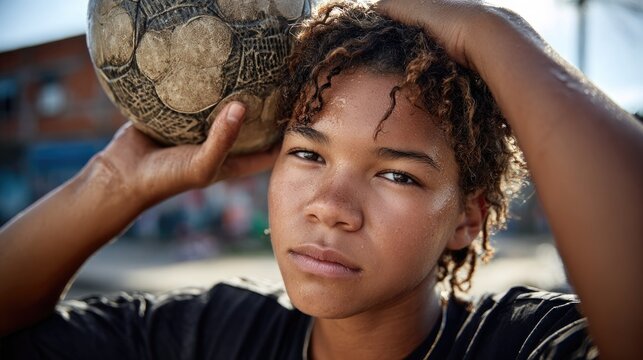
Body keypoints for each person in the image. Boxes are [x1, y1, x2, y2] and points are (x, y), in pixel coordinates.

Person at [0, 0, 641, 358]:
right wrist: (115, 182)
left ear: (468, 217)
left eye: (396, 174)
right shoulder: (214, 338)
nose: (332, 208)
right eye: (308, 155)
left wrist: (495, 34)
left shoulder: (515, 347)